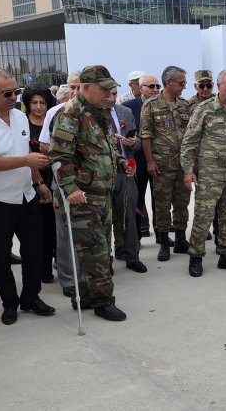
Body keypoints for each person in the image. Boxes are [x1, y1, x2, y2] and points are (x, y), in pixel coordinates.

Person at [49, 65, 132, 322]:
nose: (109, 94)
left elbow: (106, 147)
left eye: (110, 89)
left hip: (101, 194)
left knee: (95, 248)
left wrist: (120, 163)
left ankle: (86, 297)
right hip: (83, 197)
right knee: (96, 252)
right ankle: (103, 302)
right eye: (103, 89)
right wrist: (71, 189)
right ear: (86, 88)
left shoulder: (99, 113)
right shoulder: (70, 114)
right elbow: (59, 157)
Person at [0, 69, 56, 326]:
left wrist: (38, 182)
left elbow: (26, 152)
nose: (13, 97)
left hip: (26, 195)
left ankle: (31, 298)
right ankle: (10, 303)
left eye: (16, 92)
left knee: (34, 251)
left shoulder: (20, 117)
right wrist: (25, 160)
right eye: (7, 93)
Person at [181, 70, 226, 277]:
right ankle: (196, 257)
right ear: (219, 86)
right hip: (210, 174)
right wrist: (187, 171)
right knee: (204, 216)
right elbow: (189, 142)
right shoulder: (204, 109)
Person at [140, 66, 191, 262]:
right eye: (181, 83)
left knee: (182, 203)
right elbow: (146, 135)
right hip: (162, 165)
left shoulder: (184, 106)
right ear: (169, 83)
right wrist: (150, 161)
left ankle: (180, 240)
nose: (184, 87)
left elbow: (190, 135)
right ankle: (163, 244)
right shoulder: (151, 105)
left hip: (182, 165)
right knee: (162, 205)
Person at [38, 71, 80, 298]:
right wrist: (64, 150)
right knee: (64, 234)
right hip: (64, 182)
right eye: (71, 87)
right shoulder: (55, 112)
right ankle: (68, 279)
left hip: (90, 184)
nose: (74, 92)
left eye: (78, 87)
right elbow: (44, 145)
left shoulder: (93, 112)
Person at [122, 74, 169, 245]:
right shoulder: (127, 108)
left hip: (160, 161)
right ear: (140, 88)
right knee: (137, 200)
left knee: (160, 200)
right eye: (151, 86)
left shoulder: (165, 106)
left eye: (157, 86)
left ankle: (161, 235)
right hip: (138, 162)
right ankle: (137, 238)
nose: (156, 89)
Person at [104, 87, 147, 274]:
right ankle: (105, 262)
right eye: (108, 94)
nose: (112, 98)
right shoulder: (92, 115)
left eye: (114, 94)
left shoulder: (126, 112)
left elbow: (137, 141)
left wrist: (132, 143)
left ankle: (132, 257)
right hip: (102, 172)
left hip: (126, 170)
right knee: (105, 218)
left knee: (129, 214)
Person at [23, 84, 57, 284]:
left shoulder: (53, 120)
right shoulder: (22, 124)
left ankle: (56, 263)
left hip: (56, 177)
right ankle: (42, 269)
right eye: (34, 102)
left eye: (42, 102)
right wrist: (39, 182)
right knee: (38, 230)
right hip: (31, 180)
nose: (38, 107)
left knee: (53, 228)